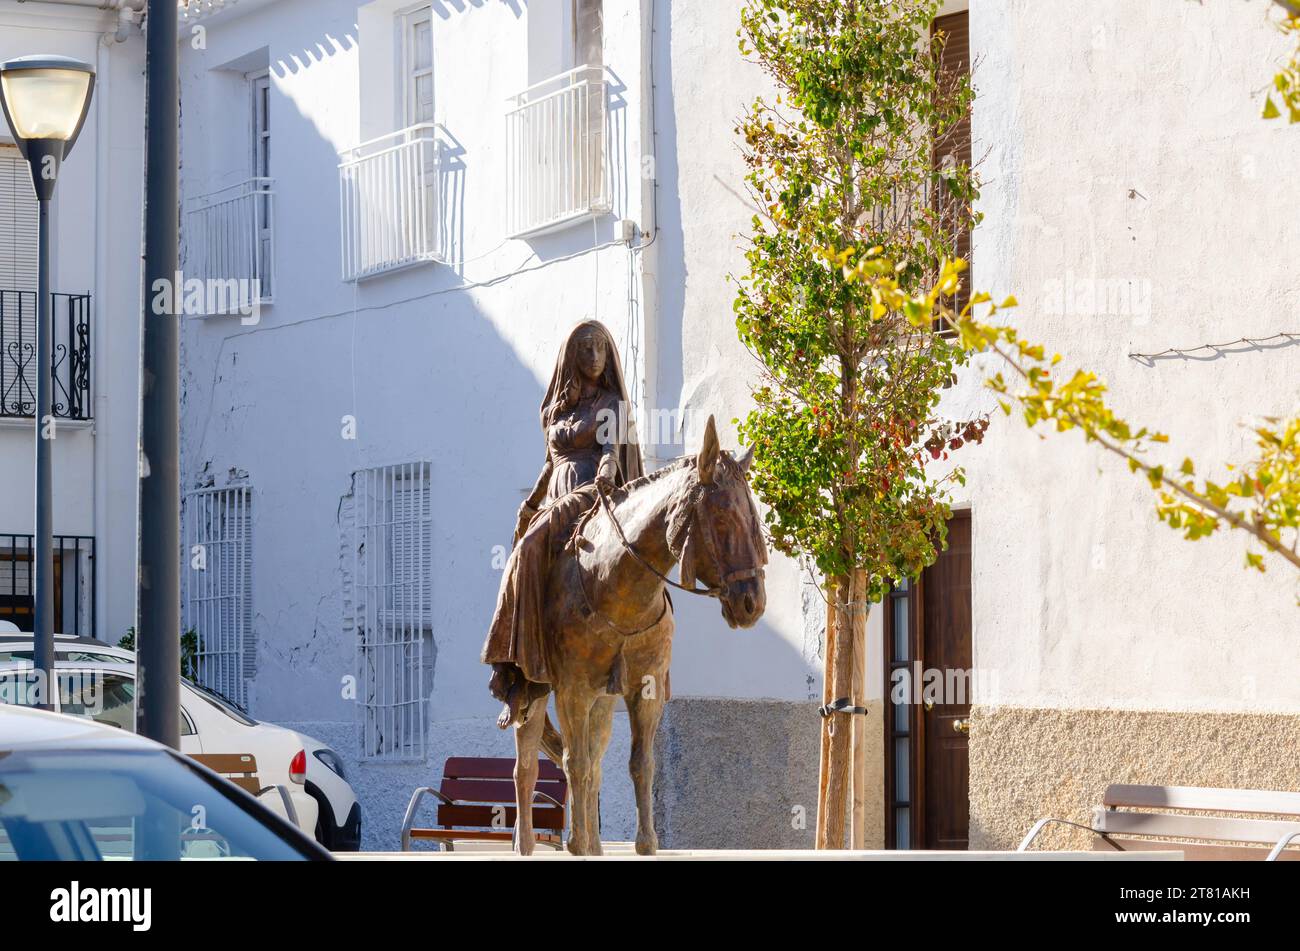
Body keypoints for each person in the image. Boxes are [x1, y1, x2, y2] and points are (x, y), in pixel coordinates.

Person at [482, 320, 643, 726]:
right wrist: (531, 502)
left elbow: (611, 450)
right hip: (554, 493)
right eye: (585, 348)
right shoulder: (560, 408)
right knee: (523, 551)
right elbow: (550, 463)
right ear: (572, 355)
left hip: (589, 490)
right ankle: (520, 674)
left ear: (608, 357)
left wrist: (607, 472)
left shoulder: (611, 404)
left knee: (528, 547)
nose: (593, 355)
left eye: (600, 348)